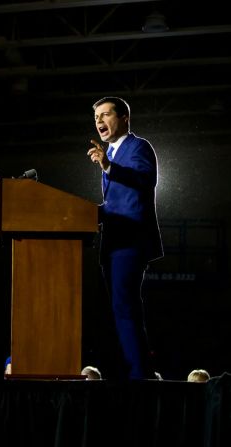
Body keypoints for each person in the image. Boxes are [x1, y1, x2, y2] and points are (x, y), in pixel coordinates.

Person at [87, 96, 163, 380]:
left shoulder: (137, 147)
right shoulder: (113, 154)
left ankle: (140, 375)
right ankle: (135, 371)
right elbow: (115, 204)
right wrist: (82, 213)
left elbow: (144, 180)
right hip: (114, 244)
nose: (100, 122)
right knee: (121, 310)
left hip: (130, 242)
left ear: (124, 118)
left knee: (127, 309)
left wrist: (108, 167)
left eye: (106, 115)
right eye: (96, 118)